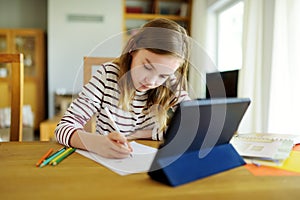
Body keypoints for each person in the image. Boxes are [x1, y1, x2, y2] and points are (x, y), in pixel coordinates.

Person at [55, 18, 191, 159]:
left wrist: (142, 134)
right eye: (147, 67)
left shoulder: (170, 82)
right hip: (109, 161)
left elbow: (193, 126)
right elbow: (63, 128)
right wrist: (97, 143)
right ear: (133, 48)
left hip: (149, 162)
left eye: (163, 75)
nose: (151, 81)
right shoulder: (107, 75)